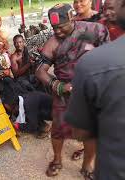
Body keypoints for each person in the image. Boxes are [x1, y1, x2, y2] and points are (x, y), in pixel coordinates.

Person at [35, 4, 109, 178]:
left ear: (71, 18)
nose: (57, 32)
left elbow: (108, 53)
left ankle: (87, 166)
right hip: (64, 93)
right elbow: (40, 71)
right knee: (58, 130)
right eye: (54, 28)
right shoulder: (52, 43)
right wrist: (59, 86)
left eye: (61, 27)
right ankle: (57, 161)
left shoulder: (94, 30)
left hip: (91, 91)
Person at [66, 0, 125, 179]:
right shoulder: (75, 22)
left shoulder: (99, 24)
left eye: (113, 7)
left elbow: (81, 128)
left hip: (105, 71)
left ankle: (88, 160)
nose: (109, 11)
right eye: (75, 1)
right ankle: (87, 153)